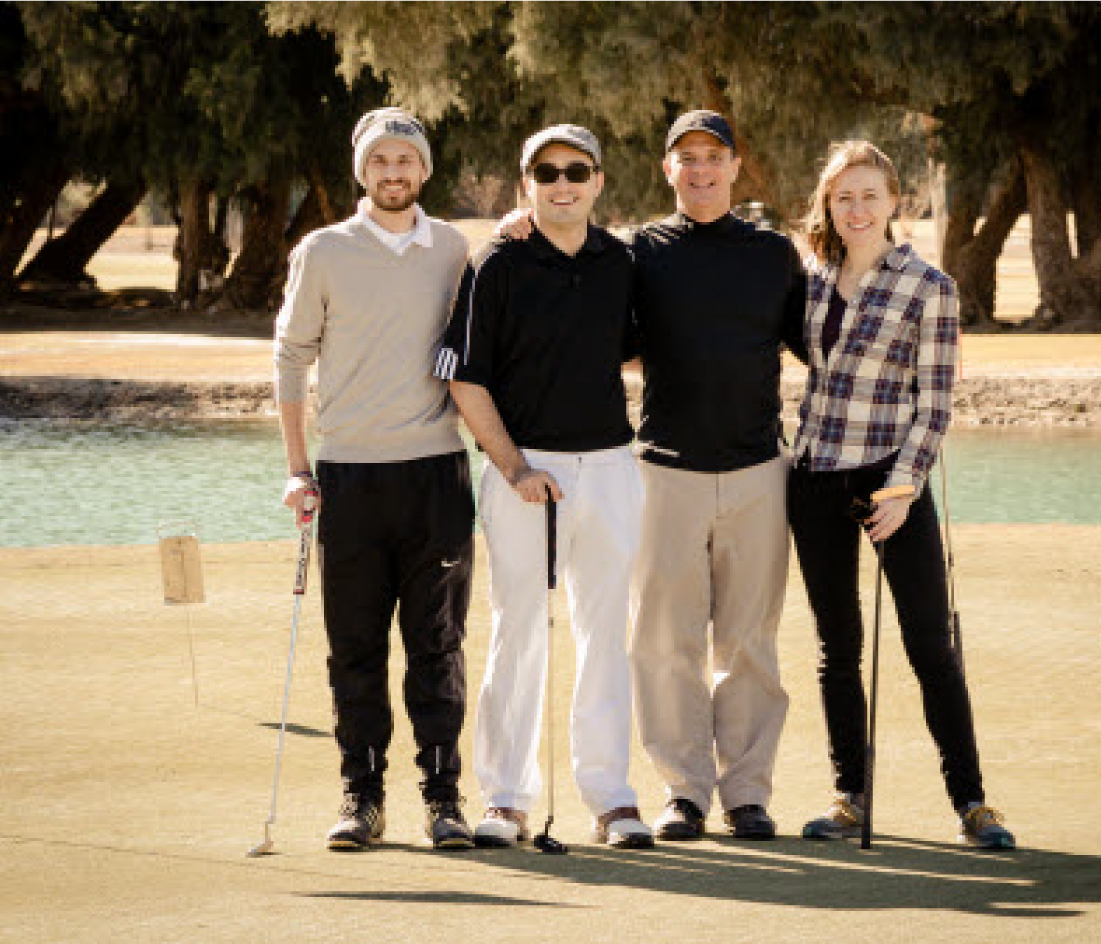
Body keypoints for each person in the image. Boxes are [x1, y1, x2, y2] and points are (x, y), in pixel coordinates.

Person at [496, 110, 806, 841]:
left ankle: (747, 792)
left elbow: (815, 340)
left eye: (713, 157)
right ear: (666, 169)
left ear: (735, 167)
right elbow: (585, 287)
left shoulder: (773, 253)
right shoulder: (638, 254)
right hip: (664, 471)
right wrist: (523, 218)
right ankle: (684, 790)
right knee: (663, 642)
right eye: (685, 157)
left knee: (749, 642)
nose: (699, 169)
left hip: (759, 468)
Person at [787, 140, 1015, 849]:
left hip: (889, 480)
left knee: (929, 646)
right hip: (815, 475)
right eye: (842, 197)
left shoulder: (928, 286)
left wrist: (902, 488)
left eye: (868, 196)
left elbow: (934, 404)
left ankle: (971, 803)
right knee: (837, 648)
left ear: (895, 202)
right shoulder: (811, 279)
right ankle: (850, 798)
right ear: (828, 204)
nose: (855, 209)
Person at [437, 124, 653, 849]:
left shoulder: (622, 261)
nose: (563, 183)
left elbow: (640, 347)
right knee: (518, 631)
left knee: (604, 638)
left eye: (576, 170)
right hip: (524, 471)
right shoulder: (495, 263)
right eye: (547, 171)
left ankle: (612, 800)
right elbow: (464, 377)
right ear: (526, 181)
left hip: (612, 469)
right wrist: (515, 468)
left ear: (597, 180)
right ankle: (505, 799)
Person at [274, 107, 476, 851]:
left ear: (423, 170)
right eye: (380, 161)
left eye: (406, 160)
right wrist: (298, 468)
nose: (394, 173)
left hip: (436, 476)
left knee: (437, 646)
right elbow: (290, 357)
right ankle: (361, 798)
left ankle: (443, 797)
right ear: (363, 171)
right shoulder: (323, 250)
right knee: (354, 648)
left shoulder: (453, 247)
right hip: (349, 478)